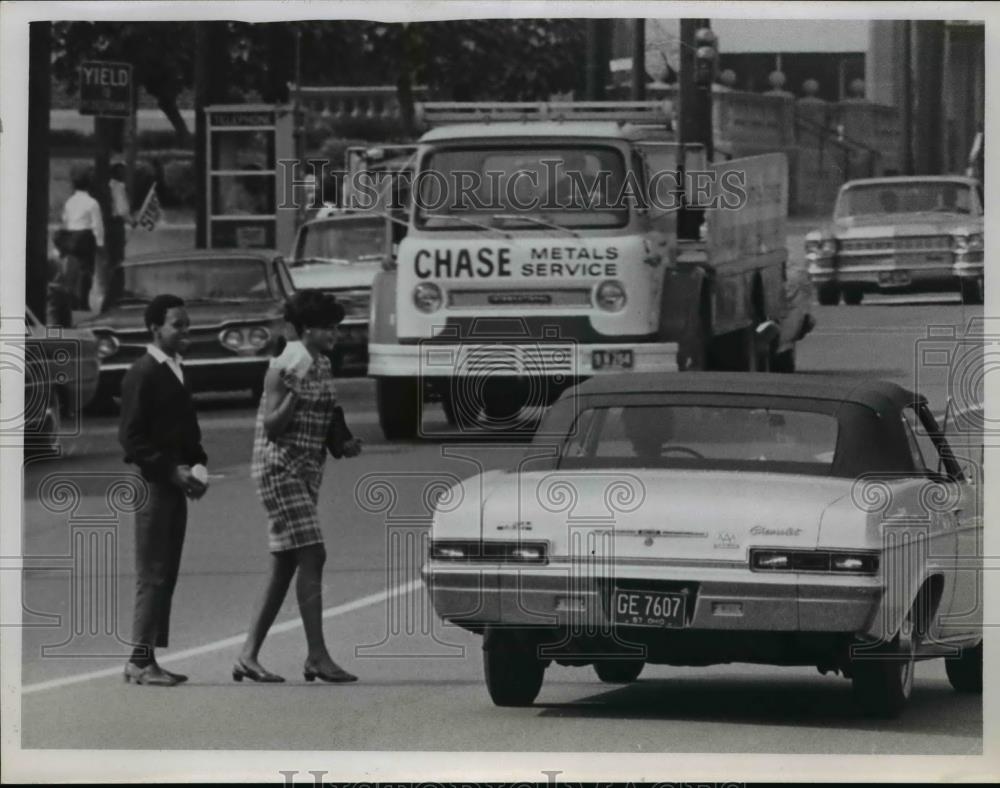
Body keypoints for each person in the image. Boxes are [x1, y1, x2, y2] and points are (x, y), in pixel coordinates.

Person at [235, 290, 361, 684]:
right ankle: (317, 655)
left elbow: (326, 415)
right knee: (313, 553)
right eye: (327, 329)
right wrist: (294, 393)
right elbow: (272, 426)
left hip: (306, 470)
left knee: (285, 562)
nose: (334, 336)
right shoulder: (288, 362)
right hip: (279, 468)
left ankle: (247, 656)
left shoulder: (321, 363)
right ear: (306, 329)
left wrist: (343, 441)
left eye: (336, 329)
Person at [119, 294, 208, 686]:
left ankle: (147, 657)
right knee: (153, 572)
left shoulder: (175, 369)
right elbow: (132, 439)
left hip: (173, 483)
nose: (185, 331)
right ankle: (139, 661)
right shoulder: (144, 372)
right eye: (178, 325)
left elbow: (187, 432)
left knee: (166, 571)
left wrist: (198, 466)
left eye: (187, 324)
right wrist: (171, 471)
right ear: (156, 328)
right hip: (153, 484)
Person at [58, 166, 104, 311]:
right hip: (85, 238)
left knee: (71, 272)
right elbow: (97, 225)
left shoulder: (69, 202)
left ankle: (70, 301)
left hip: (71, 237)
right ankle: (83, 302)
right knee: (87, 272)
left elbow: (65, 220)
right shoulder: (92, 203)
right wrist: (100, 243)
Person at [105, 161, 135, 309]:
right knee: (117, 261)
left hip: (110, 226)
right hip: (116, 226)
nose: (123, 173)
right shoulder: (118, 187)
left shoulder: (109, 186)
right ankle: (116, 294)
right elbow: (122, 210)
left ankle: (114, 292)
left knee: (113, 260)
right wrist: (131, 221)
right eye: (121, 170)